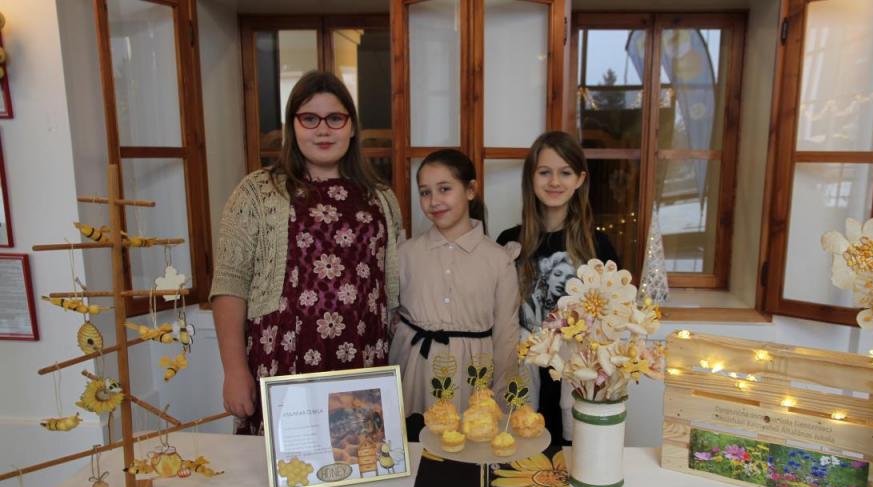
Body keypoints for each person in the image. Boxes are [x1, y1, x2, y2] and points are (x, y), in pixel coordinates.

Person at [210, 71, 403, 435]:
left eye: (335, 118)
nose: (323, 130)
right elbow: (230, 283)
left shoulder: (380, 197)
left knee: (357, 459)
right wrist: (234, 371)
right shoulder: (256, 193)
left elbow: (392, 295)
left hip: (362, 365)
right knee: (290, 465)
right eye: (310, 118)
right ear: (293, 126)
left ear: (352, 127)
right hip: (283, 364)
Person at [497, 130, 619, 445]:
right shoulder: (508, 242)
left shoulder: (597, 246)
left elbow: (612, 321)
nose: (554, 182)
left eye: (565, 172)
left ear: (580, 179)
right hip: (522, 377)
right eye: (544, 172)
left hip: (575, 379)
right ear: (531, 177)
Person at [389, 149, 519, 416]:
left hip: (473, 378)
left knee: (466, 438)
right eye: (425, 192)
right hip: (415, 372)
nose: (434, 201)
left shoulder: (498, 260)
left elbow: (506, 336)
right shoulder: (405, 254)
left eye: (444, 189)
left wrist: (503, 398)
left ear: (470, 190)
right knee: (415, 436)